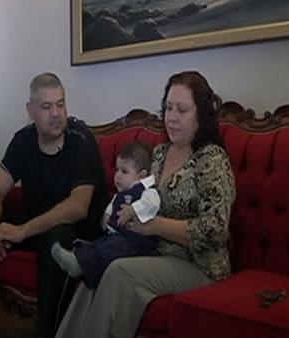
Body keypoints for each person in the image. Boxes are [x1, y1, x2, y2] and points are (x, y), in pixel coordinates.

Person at [55, 70, 236, 338]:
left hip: (199, 265)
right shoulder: (160, 154)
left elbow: (216, 229)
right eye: (168, 108)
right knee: (93, 266)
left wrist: (155, 226)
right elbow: (139, 194)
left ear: (201, 115)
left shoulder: (212, 160)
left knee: (119, 272)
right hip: (153, 253)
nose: (172, 117)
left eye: (182, 110)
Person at [0, 72, 108, 338]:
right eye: (47, 107)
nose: (56, 114)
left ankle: (48, 333)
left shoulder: (81, 140)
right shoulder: (23, 139)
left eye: (61, 104)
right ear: (31, 110)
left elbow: (78, 206)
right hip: (38, 223)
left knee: (55, 240)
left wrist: (21, 231)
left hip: (79, 232)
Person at [51, 141, 160, 288]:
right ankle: (78, 258)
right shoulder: (119, 194)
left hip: (136, 242)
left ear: (142, 175)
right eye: (117, 170)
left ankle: (80, 264)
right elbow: (111, 207)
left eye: (124, 171)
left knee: (110, 248)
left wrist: (133, 209)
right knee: (101, 244)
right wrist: (106, 217)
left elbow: (152, 204)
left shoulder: (147, 191)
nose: (118, 176)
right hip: (117, 236)